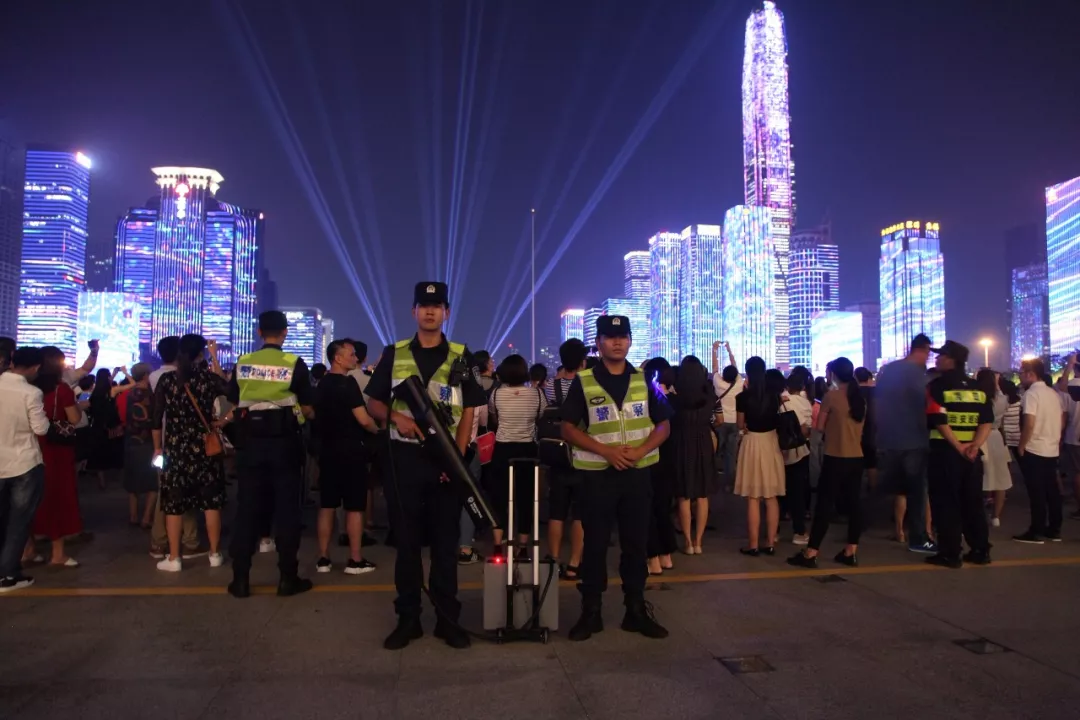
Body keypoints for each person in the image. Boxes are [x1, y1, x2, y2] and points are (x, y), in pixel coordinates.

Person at [365, 281, 486, 650]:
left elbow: (469, 409)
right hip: (404, 460)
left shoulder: (461, 356)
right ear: (414, 311)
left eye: (437, 306)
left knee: (446, 545)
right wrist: (398, 418)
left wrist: (457, 458)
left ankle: (448, 620)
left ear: (446, 312)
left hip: (446, 464)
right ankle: (409, 619)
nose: (430, 311)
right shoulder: (395, 353)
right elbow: (373, 402)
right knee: (407, 545)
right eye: (423, 305)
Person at [560, 315, 672, 642]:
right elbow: (567, 428)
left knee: (636, 545)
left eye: (623, 336)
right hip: (597, 477)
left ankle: (635, 610)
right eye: (610, 337)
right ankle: (591, 611)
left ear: (630, 341)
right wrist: (605, 451)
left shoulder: (644, 380)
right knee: (595, 545)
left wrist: (640, 451)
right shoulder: (584, 381)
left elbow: (664, 424)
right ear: (598, 343)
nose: (617, 342)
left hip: (636, 476)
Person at [223, 311, 316, 596]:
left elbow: (234, 399)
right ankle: (287, 578)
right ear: (285, 332)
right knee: (287, 511)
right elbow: (308, 407)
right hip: (284, 444)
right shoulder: (294, 363)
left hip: (250, 444)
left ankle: (240, 579)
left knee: (247, 509)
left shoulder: (244, 362)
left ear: (260, 332)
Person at [151, 335, 227, 572]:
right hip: (205, 447)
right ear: (200, 354)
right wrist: (223, 420)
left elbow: (156, 418)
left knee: (174, 504)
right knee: (211, 503)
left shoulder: (167, 380)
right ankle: (214, 554)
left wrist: (157, 448)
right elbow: (235, 395)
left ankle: (174, 558)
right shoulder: (208, 379)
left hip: (175, 448)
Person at [789, 357, 866, 568]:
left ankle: (811, 553)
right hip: (856, 458)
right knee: (854, 505)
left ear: (834, 374)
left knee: (824, 505)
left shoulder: (831, 396)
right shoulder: (859, 398)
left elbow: (820, 427)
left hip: (835, 457)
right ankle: (851, 551)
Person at [924, 341, 993, 568]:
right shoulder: (978, 389)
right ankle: (980, 550)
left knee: (946, 503)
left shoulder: (937, 386)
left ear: (951, 359)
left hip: (945, 454)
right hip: (972, 457)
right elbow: (986, 421)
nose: (936, 359)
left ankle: (950, 553)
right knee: (973, 503)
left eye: (940, 356)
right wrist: (974, 445)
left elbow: (938, 419)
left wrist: (958, 446)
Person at [315, 339, 379, 575]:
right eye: (351, 355)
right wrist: (377, 430)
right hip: (351, 450)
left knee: (327, 506)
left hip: (327, 451)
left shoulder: (322, 384)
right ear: (338, 358)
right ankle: (355, 559)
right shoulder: (347, 383)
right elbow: (363, 419)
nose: (355, 358)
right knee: (354, 507)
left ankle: (323, 558)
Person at [874, 334, 937, 553]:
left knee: (889, 489)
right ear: (923, 350)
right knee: (918, 492)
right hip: (914, 441)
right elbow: (926, 405)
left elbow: (878, 403)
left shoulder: (891, 370)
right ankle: (919, 537)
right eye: (928, 353)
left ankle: (858, 529)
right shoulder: (917, 375)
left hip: (891, 439)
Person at [148, 336, 206, 560]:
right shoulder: (180, 377)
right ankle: (188, 541)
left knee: (166, 492)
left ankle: (160, 542)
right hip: (181, 441)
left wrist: (156, 447)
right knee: (184, 492)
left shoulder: (154, 376)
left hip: (163, 441)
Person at [0, 348, 50, 591]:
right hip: (24, 463)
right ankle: (7, 574)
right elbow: (41, 429)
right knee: (18, 521)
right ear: (35, 368)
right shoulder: (31, 392)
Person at [31, 346, 84, 567]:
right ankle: (57, 553)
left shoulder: (29, 388)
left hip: (32, 446)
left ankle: (27, 550)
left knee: (30, 499)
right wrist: (79, 406)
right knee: (57, 498)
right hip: (56, 449)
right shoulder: (61, 390)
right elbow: (74, 418)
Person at [486, 354, 545, 552]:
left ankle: (497, 544)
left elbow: (494, 419)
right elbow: (540, 416)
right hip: (527, 448)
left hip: (502, 448)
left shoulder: (496, 394)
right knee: (526, 498)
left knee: (499, 497)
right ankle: (523, 545)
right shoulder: (537, 394)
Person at [734, 359, 785, 556]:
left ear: (747, 373)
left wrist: (745, 426)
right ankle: (770, 543)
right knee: (771, 497)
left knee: (753, 497)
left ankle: (753, 545)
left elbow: (740, 425)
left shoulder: (742, 397)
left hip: (752, 443)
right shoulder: (774, 397)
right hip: (771, 442)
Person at [547, 339, 587, 578]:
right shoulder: (588, 385)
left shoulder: (552, 386)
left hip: (559, 454)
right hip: (584, 453)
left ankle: (553, 560)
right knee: (580, 513)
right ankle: (574, 563)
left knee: (557, 512)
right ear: (582, 360)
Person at [1014, 357, 1064, 544]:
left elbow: (1029, 423)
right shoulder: (1053, 394)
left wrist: (1021, 445)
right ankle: (1054, 529)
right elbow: (1061, 420)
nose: (1020, 376)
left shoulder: (1031, 394)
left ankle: (1036, 530)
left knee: (1036, 492)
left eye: (1021, 373)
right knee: (1052, 490)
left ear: (1030, 374)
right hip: (1051, 447)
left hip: (1034, 448)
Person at [672, 355, 719, 554]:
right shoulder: (709, 397)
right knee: (702, 495)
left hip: (682, 444)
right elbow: (718, 420)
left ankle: (688, 542)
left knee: (683, 495)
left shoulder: (675, 399)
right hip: (703, 443)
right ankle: (699, 542)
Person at [122, 363, 158, 529]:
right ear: (145, 375)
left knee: (133, 482)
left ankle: (133, 516)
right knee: (153, 482)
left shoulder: (129, 393)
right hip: (148, 442)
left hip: (131, 440)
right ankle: (146, 518)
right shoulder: (151, 395)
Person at [975, 368, 1012, 527]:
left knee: (977, 479)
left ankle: (976, 515)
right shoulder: (1002, 399)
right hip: (996, 437)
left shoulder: (978, 398)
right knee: (1000, 478)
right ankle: (996, 516)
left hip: (979, 436)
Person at [781, 372, 813, 545]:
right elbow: (806, 429)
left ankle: (775, 528)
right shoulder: (805, 402)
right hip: (801, 449)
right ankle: (799, 530)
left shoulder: (783, 401)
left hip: (782, 450)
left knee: (780, 489)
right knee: (798, 490)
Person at [711, 341, 741, 481]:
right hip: (735, 422)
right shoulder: (739, 384)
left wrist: (714, 350)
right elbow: (734, 365)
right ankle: (730, 479)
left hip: (720, 421)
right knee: (731, 452)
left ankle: (714, 476)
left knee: (717, 449)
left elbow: (714, 367)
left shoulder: (718, 383)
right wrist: (729, 350)